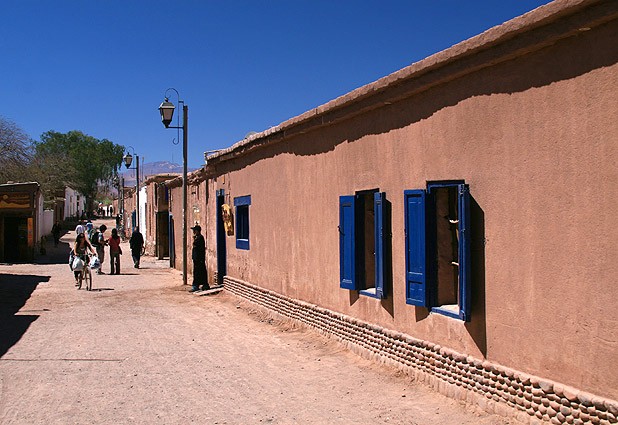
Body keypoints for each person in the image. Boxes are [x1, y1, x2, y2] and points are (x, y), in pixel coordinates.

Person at [189, 225, 210, 292]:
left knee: (198, 272)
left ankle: (196, 285)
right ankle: (204, 284)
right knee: (200, 272)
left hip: (199, 259)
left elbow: (198, 248)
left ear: (197, 231)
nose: (193, 232)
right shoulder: (198, 238)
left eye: (194, 230)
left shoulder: (200, 238)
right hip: (197, 259)